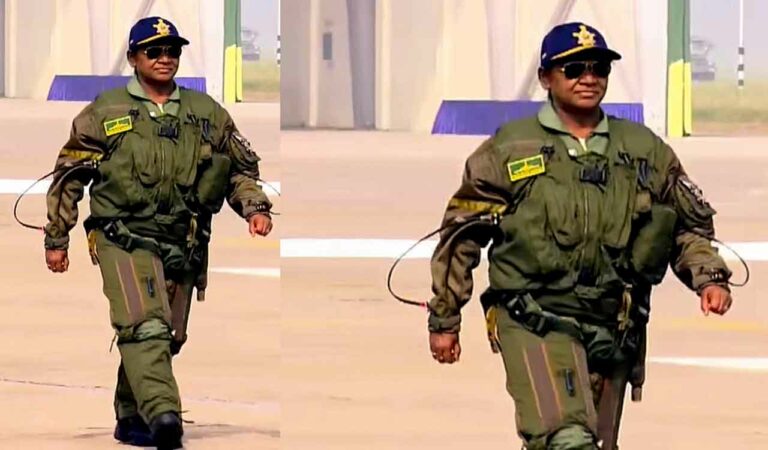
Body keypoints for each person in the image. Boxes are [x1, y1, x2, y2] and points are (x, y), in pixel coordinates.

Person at [427, 22, 733, 450]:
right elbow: (461, 235)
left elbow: (687, 225)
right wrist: (445, 317)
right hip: (535, 318)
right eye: (573, 69)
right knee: (567, 440)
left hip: (614, 326)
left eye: (598, 68)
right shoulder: (510, 149)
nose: (588, 78)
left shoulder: (643, 149)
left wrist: (709, 277)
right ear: (545, 78)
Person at [43, 16, 273, 449]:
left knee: (167, 335)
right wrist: (58, 237)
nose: (164, 58)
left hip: (183, 241)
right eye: (154, 51)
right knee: (144, 324)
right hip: (122, 236)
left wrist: (254, 207)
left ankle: (131, 414)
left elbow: (239, 169)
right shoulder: (105, 111)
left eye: (172, 51)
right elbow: (68, 177)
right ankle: (164, 415)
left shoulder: (206, 113)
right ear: (134, 58)